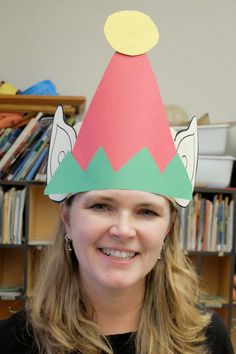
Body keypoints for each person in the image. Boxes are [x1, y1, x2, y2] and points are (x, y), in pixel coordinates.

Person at [0, 10, 234, 354]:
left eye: (147, 212)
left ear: (169, 226)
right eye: (101, 206)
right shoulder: (12, 343)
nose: (123, 230)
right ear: (67, 216)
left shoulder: (207, 339)